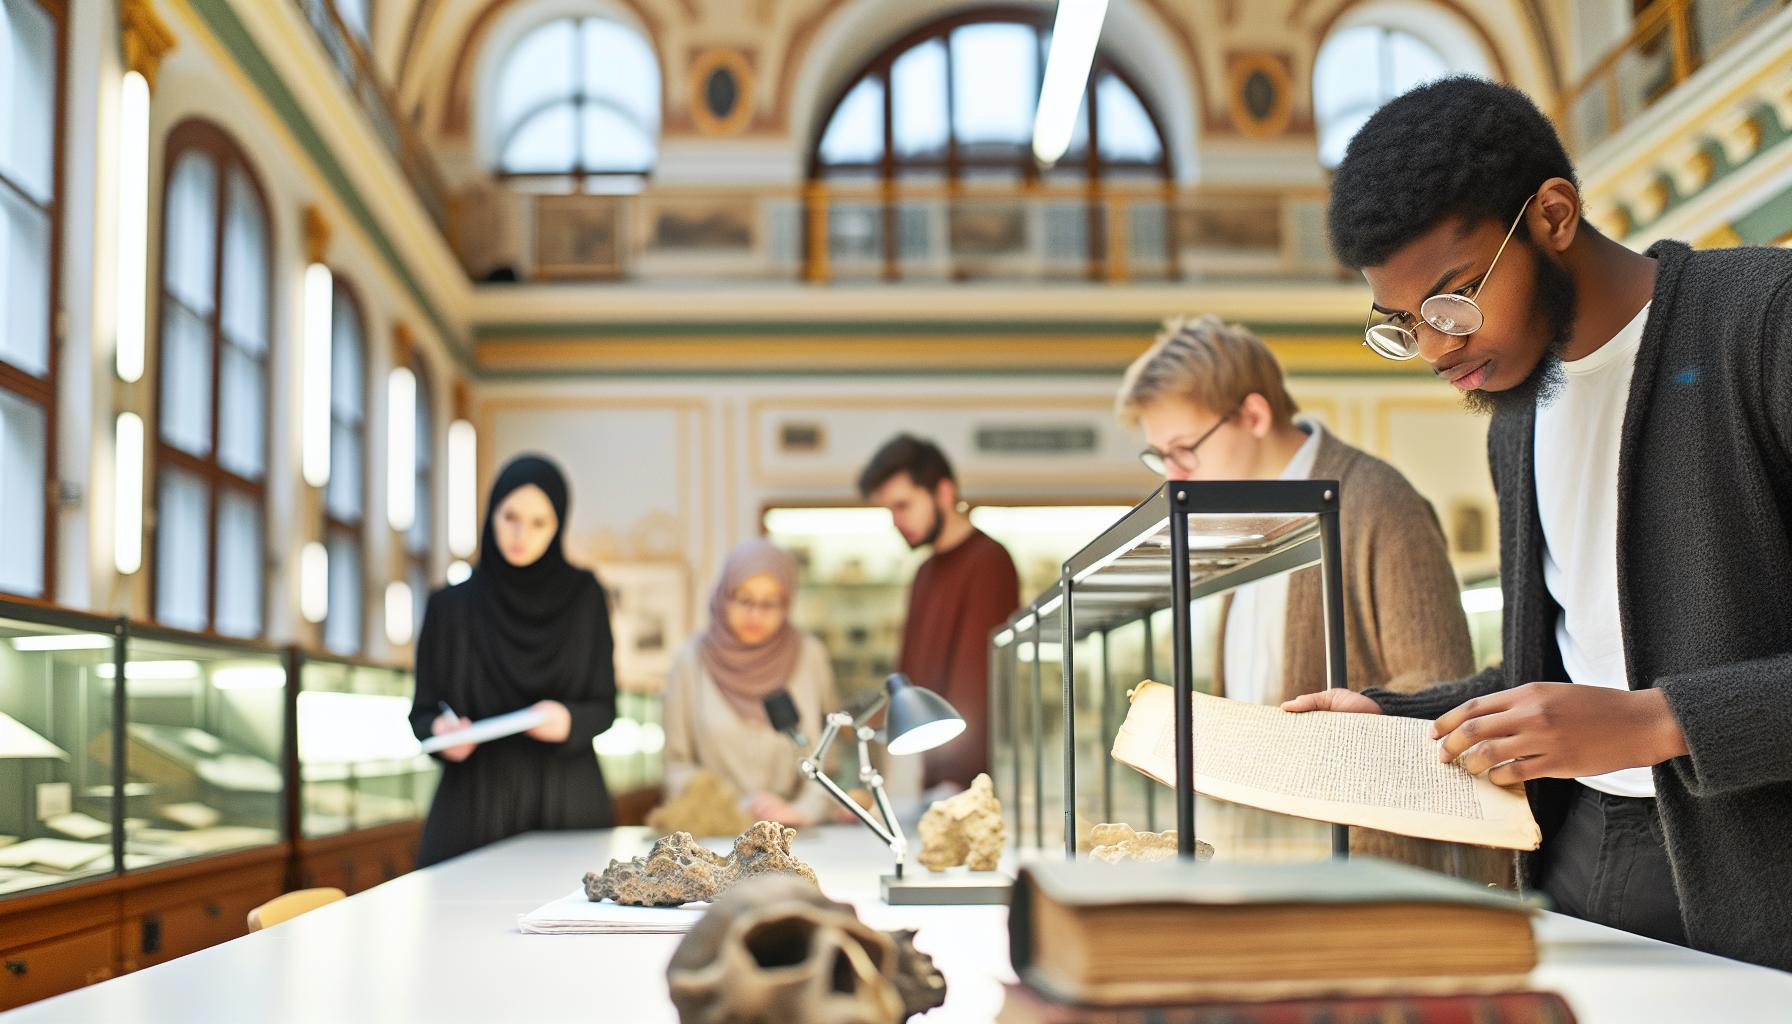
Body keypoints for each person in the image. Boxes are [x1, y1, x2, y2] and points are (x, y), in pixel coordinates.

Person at [1283, 76, 1792, 970]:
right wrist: (1392, 714)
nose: (1437, 348)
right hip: (1577, 850)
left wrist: (1658, 724)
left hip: (1757, 868)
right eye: (1404, 324)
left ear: (1554, 216)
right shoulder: (1517, 414)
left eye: (1451, 301)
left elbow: (1626, 707)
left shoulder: (1763, 319)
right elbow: (1561, 673)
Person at [1118, 316, 1505, 881]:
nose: (1174, 477)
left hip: (1371, 876)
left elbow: (1439, 693)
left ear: (1252, 415)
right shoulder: (1248, 522)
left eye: (1183, 450)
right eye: (1161, 457)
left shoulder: (1377, 503)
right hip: (1272, 864)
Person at [409, 455, 617, 867]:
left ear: (558, 526)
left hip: (567, 800)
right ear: (491, 515)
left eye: (540, 522)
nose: (521, 534)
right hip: (473, 806)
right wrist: (443, 732)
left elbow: (606, 707)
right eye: (510, 516)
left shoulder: (584, 596)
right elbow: (422, 712)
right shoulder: (449, 607)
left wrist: (567, 720)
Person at [858, 435, 1019, 791]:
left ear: (943, 493)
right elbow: (909, 679)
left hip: (971, 785)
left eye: (903, 505)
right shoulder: (924, 574)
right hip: (928, 780)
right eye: (889, 510)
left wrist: (954, 783)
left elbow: (976, 684)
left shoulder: (989, 562)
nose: (896, 521)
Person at [662, 539, 841, 827]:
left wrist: (801, 810)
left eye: (771, 603)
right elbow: (676, 765)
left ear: (788, 604)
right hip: (717, 836)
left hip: (796, 836)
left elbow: (829, 757)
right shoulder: (690, 662)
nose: (756, 615)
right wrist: (735, 806)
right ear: (723, 595)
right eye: (744, 599)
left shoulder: (810, 656)